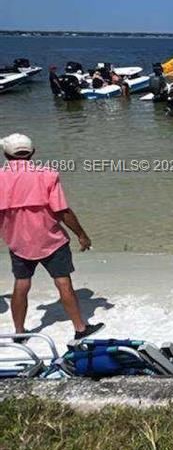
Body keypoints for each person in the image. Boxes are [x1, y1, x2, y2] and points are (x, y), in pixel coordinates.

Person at [0, 134, 103, 338]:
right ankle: (80, 328)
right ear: (32, 152)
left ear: (5, 154)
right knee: (63, 282)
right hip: (52, 240)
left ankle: (19, 333)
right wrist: (82, 235)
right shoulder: (47, 174)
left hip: (18, 243)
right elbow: (62, 211)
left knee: (21, 284)